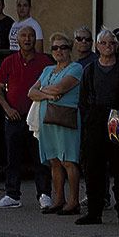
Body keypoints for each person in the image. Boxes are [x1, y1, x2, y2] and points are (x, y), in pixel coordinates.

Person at [76, 28, 119, 226]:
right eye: (103, 43)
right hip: (95, 122)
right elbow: (83, 99)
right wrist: (88, 120)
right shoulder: (90, 70)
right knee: (93, 168)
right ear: (97, 46)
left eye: (111, 43)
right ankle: (94, 212)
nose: (108, 47)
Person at [0, 25, 53, 210]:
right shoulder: (9, 61)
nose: (27, 39)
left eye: (31, 36)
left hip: (36, 117)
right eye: (24, 36)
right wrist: (7, 108)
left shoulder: (45, 61)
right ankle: (12, 195)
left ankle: (44, 194)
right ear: (17, 40)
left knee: (40, 158)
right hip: (14, 117)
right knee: (12, 158)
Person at [29, 33, 83, 215]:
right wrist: (48, 95)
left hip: (66, 119)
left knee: (68, 160)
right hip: (47, 120)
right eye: (55, 48)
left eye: (63, 47)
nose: (59, 51)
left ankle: (74, 200)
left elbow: (61, 87)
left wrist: (43, 92)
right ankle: (59, 198)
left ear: (69, 50)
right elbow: (31, 92)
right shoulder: (47, 70)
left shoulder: (76, 68)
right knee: (54, 160)